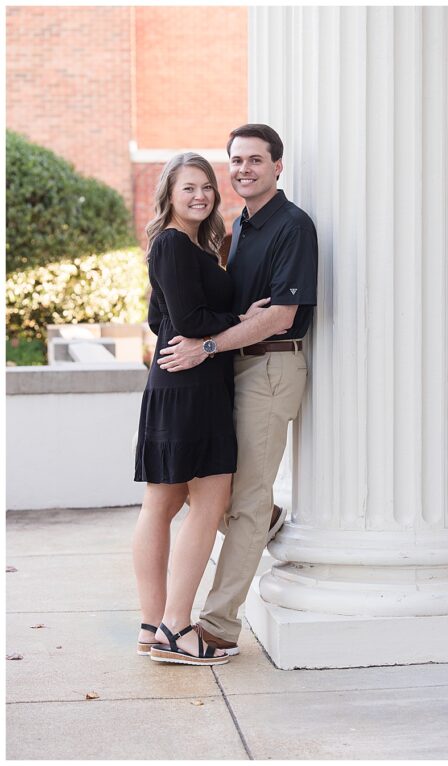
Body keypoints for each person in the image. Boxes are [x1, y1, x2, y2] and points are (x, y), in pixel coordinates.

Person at [156, 124, 318, 656]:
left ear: (278, 166)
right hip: (230, 372)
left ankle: (219, 627)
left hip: (270, 370)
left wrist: (204, 348)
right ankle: (265, 521)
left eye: (255, 159)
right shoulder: (236, 226)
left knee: (243, 503)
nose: (244, 169)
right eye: (237, 161)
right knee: (220, 496)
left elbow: (280, 316)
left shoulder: (294, 226)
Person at [132, 153, 266, 665]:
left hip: (178, 381)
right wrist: (238, 316)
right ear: (169, 192)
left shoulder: (186, 247)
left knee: (162, 505)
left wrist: (190, 332)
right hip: (192, 386)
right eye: (188, 188)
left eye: (206, 187)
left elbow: (156, 320)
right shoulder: (173, 243)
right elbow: (187, 318)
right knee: (207, 504)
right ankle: (176, 628)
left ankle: (152, 625)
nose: (200, 196)